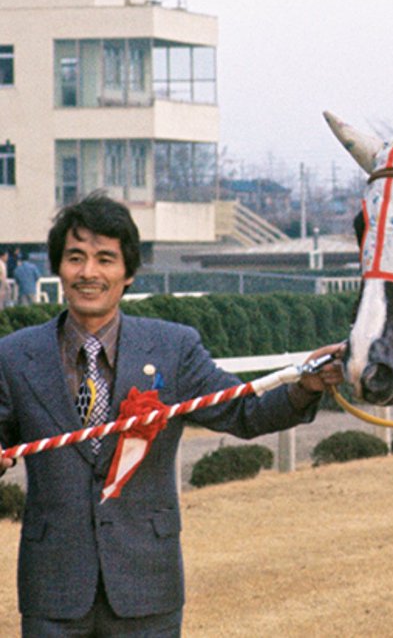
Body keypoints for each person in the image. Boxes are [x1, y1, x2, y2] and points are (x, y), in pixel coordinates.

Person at [0, 193, 345, 635]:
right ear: (58, 267)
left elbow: (245, 411)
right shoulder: (14, 356)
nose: (89, 273)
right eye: (75, 258)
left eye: (106, 259)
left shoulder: (172, 348)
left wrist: (303, 387)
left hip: (148, 585)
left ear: (128, 273)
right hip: (53, 589)